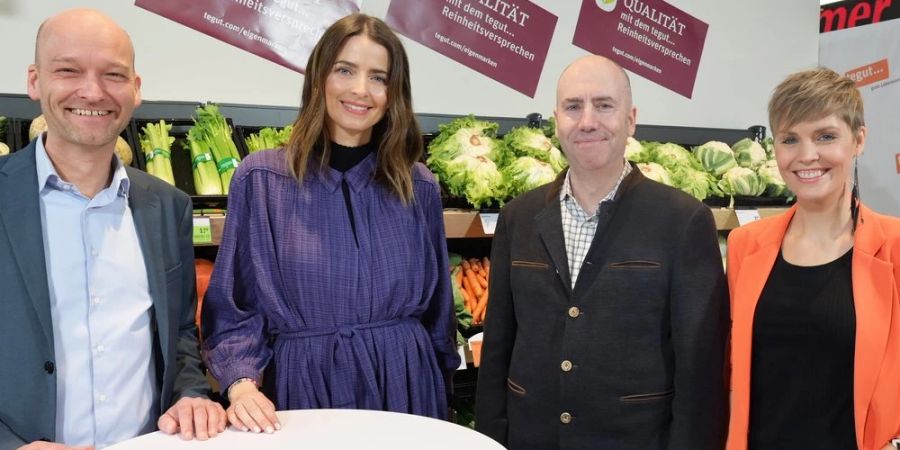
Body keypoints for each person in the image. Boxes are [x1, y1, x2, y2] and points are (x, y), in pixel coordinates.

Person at [201, 13, 460, 433]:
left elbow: (439, 315)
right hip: (306, 386)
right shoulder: (262, 179)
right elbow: (234, 305)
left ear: (394, 92)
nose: (361, 90)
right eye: (345, 70)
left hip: (406, 383)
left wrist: (440, 387)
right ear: (319, 77)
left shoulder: (419, 186)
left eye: (379, 77)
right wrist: (242, 385)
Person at [475, 55, 729, 449]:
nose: (588, 120)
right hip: (532, 437)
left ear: (631, 119)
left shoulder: (683, 220)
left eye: (604, 105)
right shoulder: (518, 217)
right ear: (556, 119)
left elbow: (699, 369)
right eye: (573, 107)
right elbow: (497, 349)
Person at [0, 8, 226, 450]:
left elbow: (179, 334)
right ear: (34, 81)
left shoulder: (168, 207)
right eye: (68, 70)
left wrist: (190, 395)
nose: (92, 90)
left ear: (136, 89)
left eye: (114, 75)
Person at [726, 68, 900, 450]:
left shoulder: (895, 246)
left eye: (825, 136)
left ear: (859, 140)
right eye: (790, 139)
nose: (807, 156)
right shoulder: (745, 245)